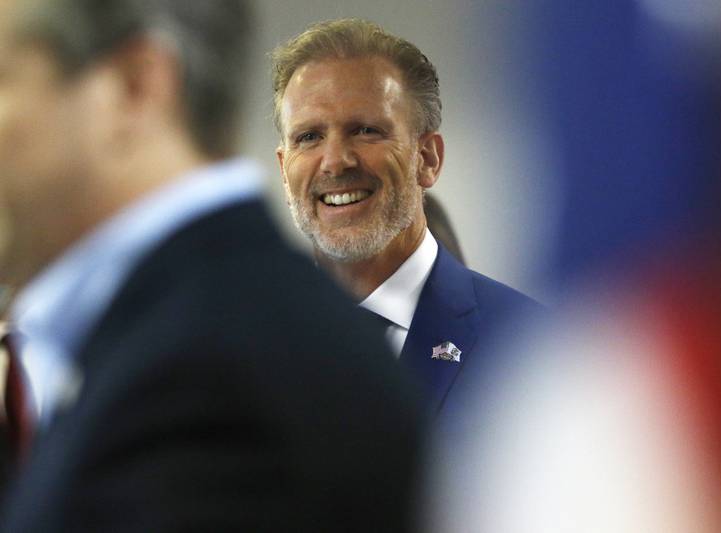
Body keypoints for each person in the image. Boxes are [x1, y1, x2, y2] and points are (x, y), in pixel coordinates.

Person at [0, 2, 422, 531]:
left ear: (134, 87)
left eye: (4, 78)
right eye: (309, 136)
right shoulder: (167, 338)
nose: (335, 160)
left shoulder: (215, 377)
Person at [272, 18, 542, 415]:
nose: (334, 161)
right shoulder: (236, 351)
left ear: (427, 159)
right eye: (309, 137)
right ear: (284, 169)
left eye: (365, 130)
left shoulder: (525, 345)